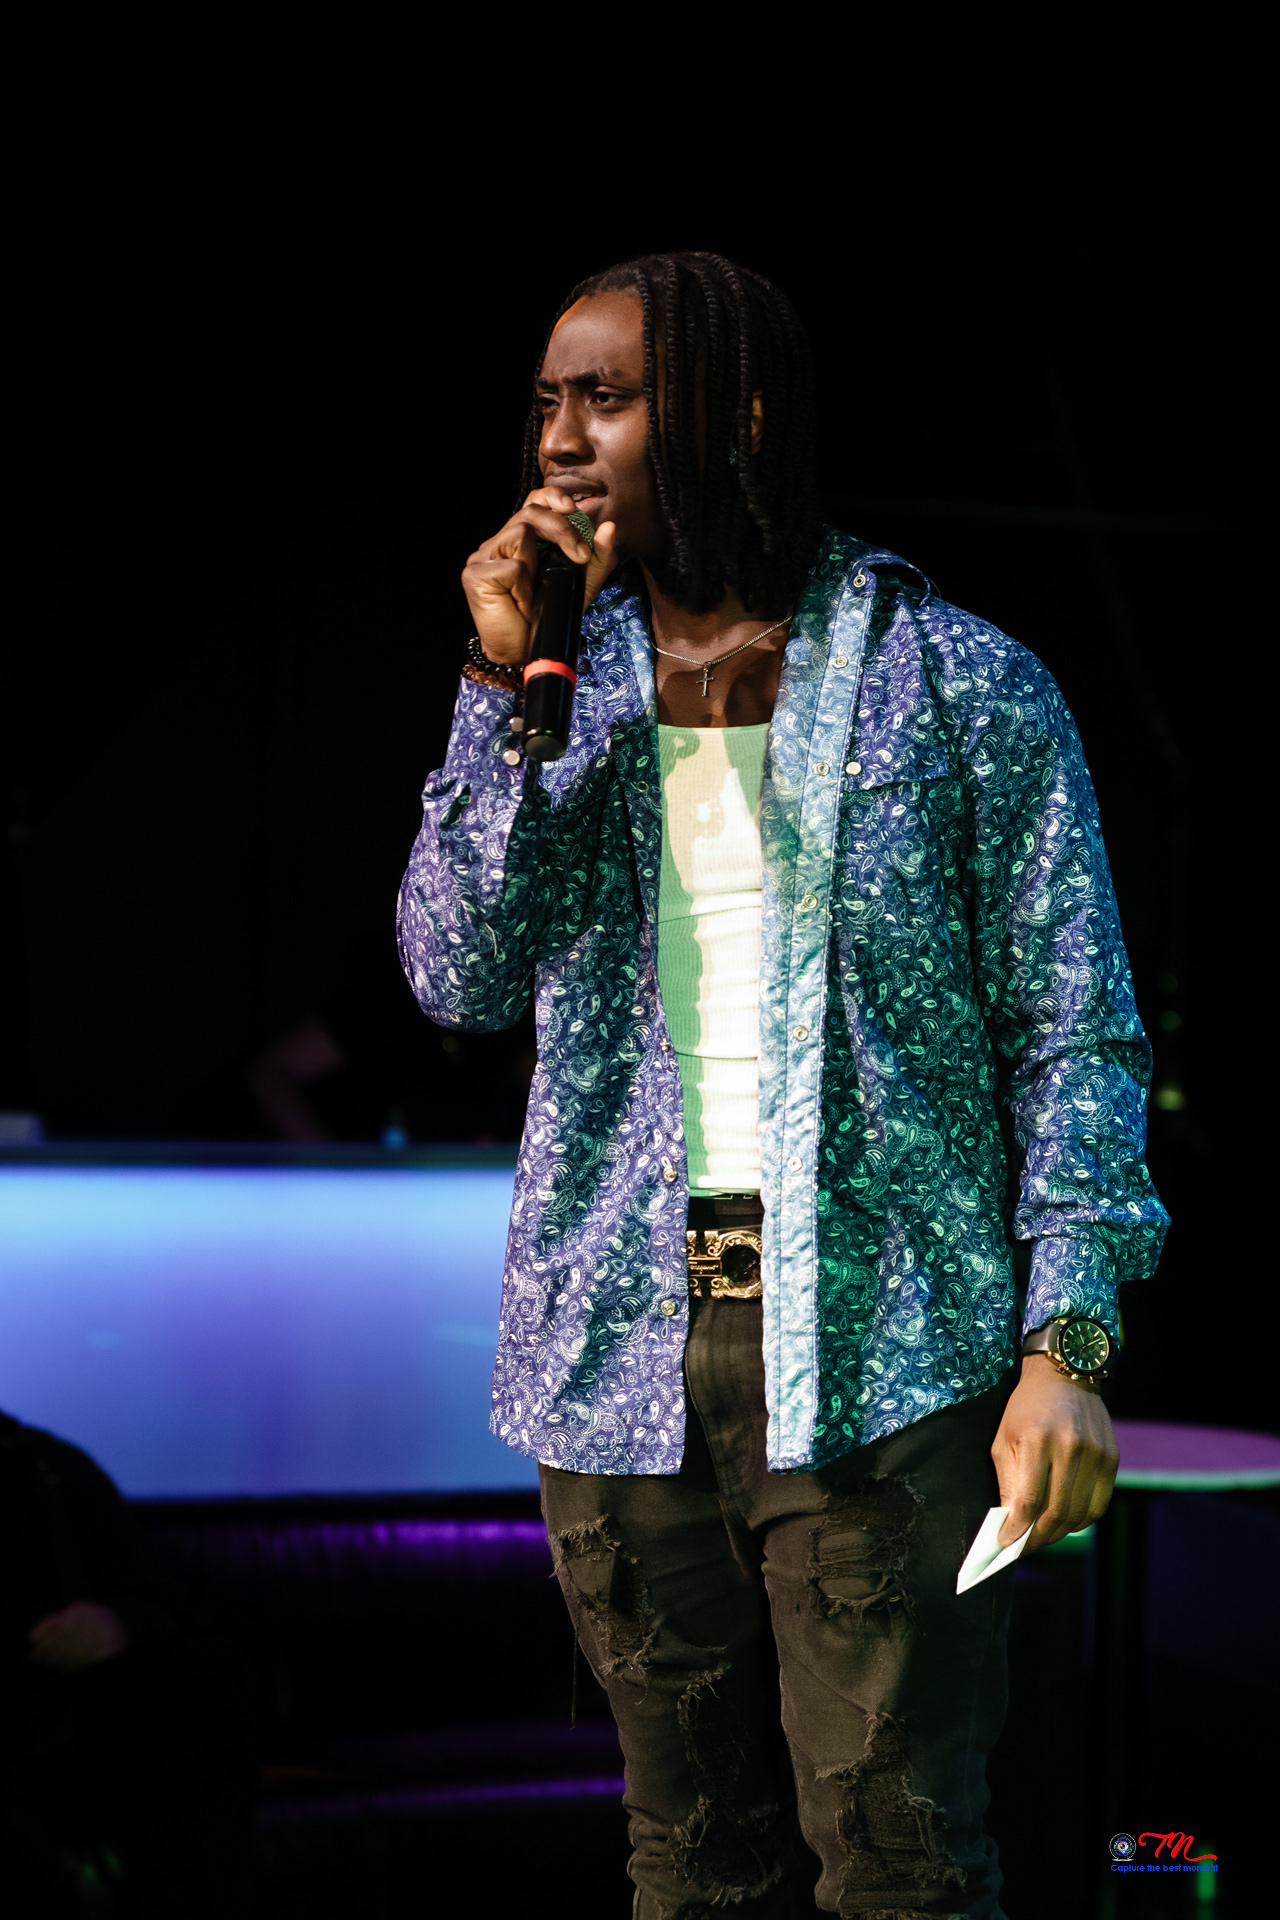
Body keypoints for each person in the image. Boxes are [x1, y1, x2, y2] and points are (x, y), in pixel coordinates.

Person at [396, 252, 1167, 1918]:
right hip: (618, 1354)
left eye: (607, 399)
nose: (562, 442)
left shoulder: (958, 683)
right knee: (687, 1863)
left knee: (902, 1863)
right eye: (547, 404)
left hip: (887, 1353)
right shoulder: (565, 695)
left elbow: (1076, 1036)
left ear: (734, 416)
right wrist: (502, 688)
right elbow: (454, 975)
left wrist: (1069, 1346)